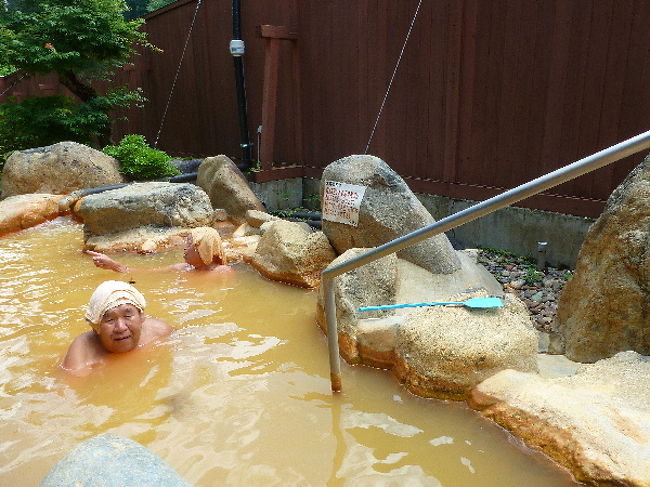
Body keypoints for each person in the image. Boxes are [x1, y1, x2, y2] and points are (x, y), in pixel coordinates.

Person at [61, 280, 174, 375]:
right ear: (96, 328)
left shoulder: (160, 332)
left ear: (141, 318)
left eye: (128, 316)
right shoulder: (82, 354)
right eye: (110, 320)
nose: (121, 328)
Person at [85, 227, 233, 275]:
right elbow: (146, 273)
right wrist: (113, 265)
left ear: (204, 248)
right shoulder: (182, 268)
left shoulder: (222, 272)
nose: (185, 248)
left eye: (189, 243)